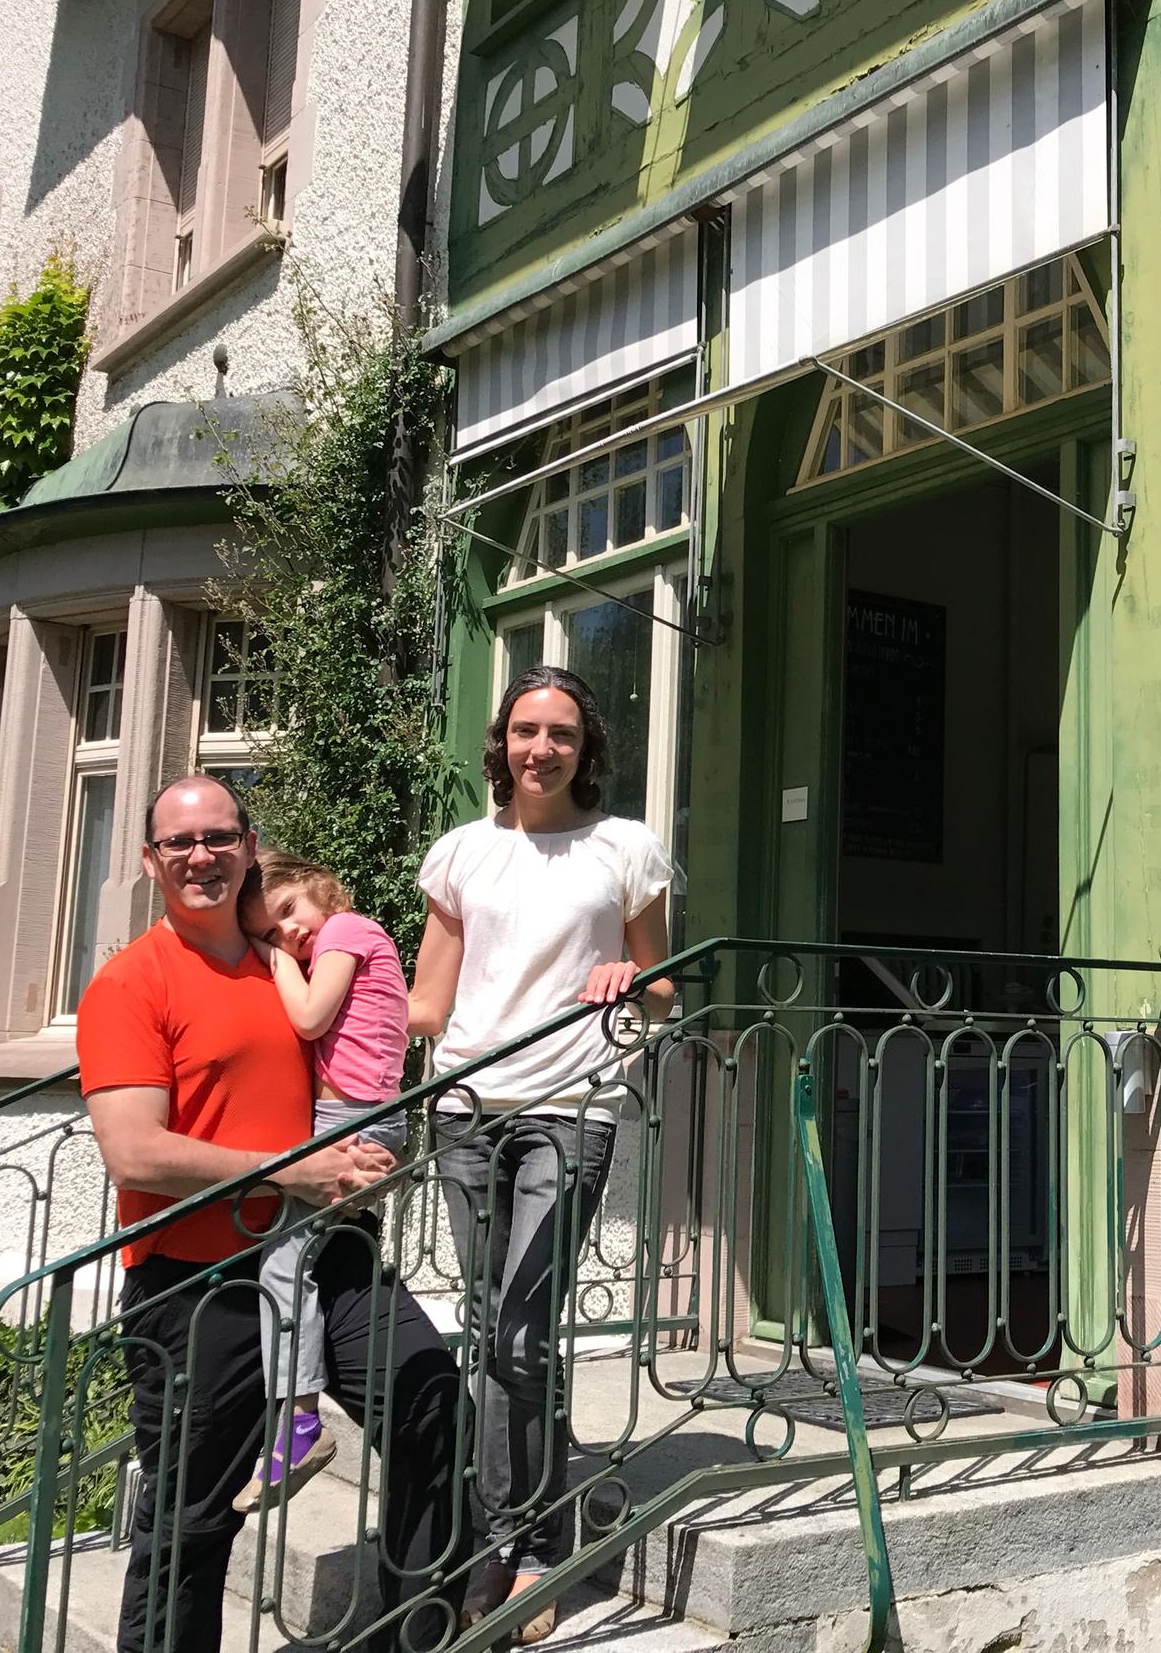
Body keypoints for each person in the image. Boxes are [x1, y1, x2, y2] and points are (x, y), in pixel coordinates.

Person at [78, 775, 467, 1653]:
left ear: (250, 848)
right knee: (193, 1517)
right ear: (151, 862)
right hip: (197, 1277)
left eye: (219, 837)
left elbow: (365, 1070)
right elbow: (135, 1151)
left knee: (432, 1403)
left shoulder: (290, 963)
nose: (201, 856)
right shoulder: (132, 984)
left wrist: (371, 1162)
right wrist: (293, 1172)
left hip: (325, 1253)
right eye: (179, 843)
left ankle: (415, 1634)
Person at [410, 666, 674, 1645]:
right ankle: (498, 1537)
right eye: (526, 730)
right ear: (503, 742)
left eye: (560, 732)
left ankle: (524, 1548)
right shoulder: (461, 854)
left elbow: (663, 991)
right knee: (492, 1332)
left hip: (572, 1108)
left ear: (584, 747)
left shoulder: (623, 850)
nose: (541, 748)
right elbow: (430, 1001)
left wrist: (630, 980)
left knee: (521, 1335)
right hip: (469, 1109)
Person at [234, 852, 414, 1514]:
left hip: (354, 1122)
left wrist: (274, 960)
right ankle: (296, 1419)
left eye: (287, 913)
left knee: (284, 1261)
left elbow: (309, 1019)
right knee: (291, 1260)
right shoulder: (348, 941)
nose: (291, 934)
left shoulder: (347, 930)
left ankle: (301, 1422)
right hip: (353, 1119)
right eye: (275, 933)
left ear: (319, 886)